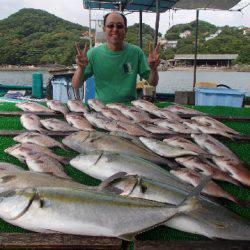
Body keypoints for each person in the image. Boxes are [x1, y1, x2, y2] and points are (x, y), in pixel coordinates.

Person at [72, 11, 160, 103]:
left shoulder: (136, 52)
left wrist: (154, 69)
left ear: (125, 30)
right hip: (103, 110)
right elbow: (76, 85)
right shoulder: (93, 54)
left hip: (130, 110)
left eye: (119, 26)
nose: (115, 29)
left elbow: (153, 82)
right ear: (104, 29)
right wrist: (81, 68)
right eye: (110, 26)